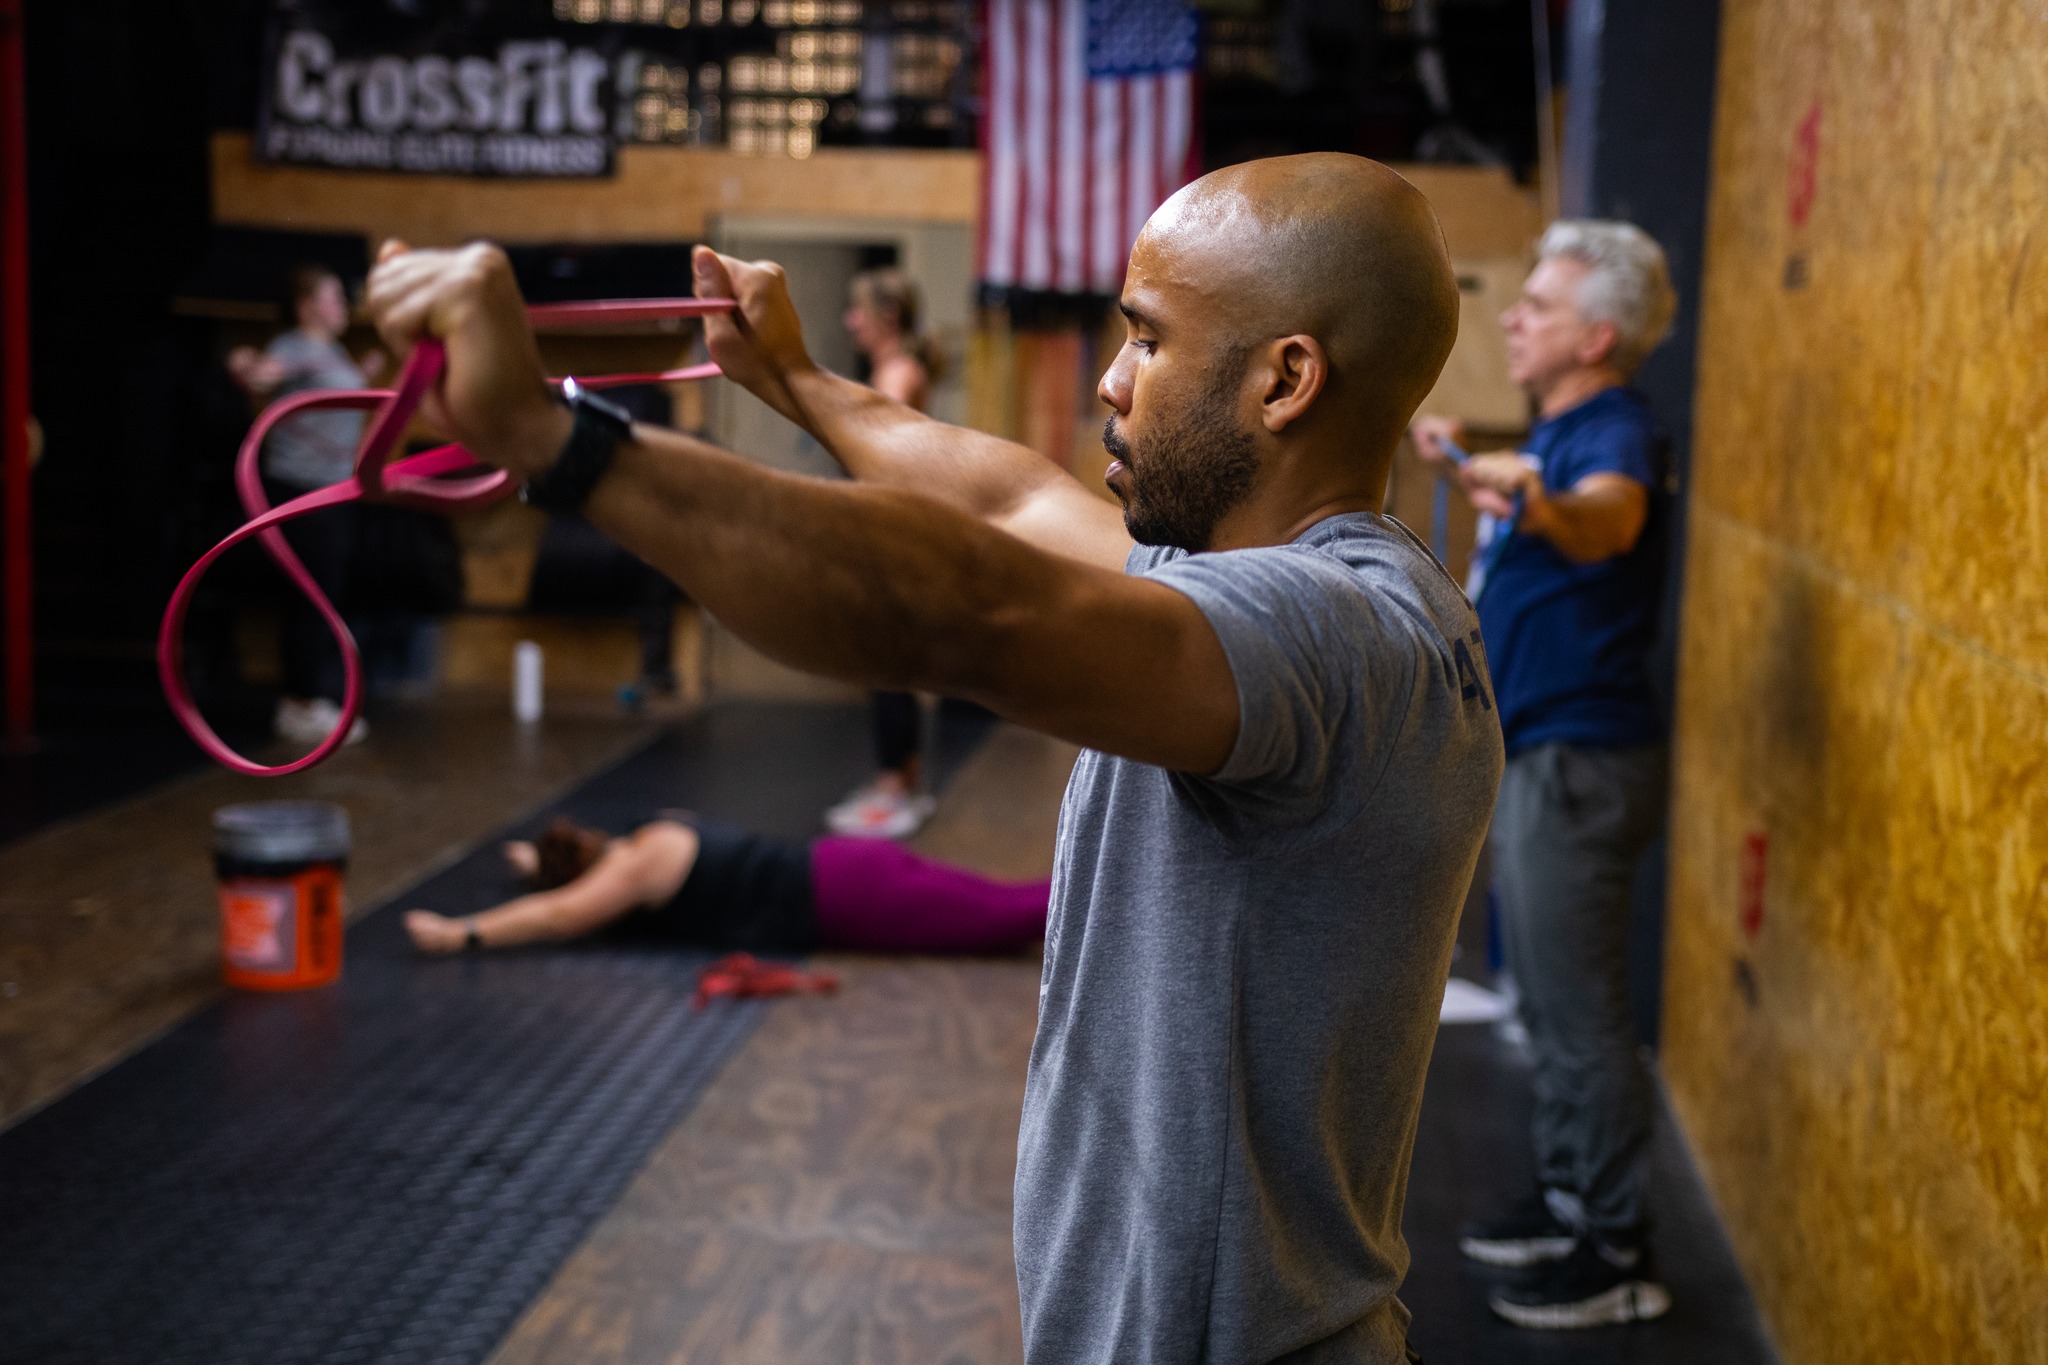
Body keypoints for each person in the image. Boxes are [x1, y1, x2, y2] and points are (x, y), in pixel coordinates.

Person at [364, 151, 1503, 1364]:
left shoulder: (1335, 636)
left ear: (1285, 381)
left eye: (1147, 339)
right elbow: (1006, 505)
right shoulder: (1277, 583)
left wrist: (552, 439)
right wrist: (794, 379)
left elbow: (968, 611)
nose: (1112, 381)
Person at [1411, 219, 1676, 1329]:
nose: (1513, 319)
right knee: (1548, 1004)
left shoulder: (1612, 431)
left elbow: (1606, 520)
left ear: (1596, 337)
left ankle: (1613, 1247)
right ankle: (1571, 1197)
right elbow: (1543, 510)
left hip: (1579, 762)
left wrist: (1533, 500)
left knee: (1576, 1014)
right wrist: (1469, 467)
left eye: (1539, 306)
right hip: (1547, 754)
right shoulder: (1560, 431)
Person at [403, 813, 1048, 957]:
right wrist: (529, 859)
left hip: (845, 897)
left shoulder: (632, 870)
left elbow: (557, 915)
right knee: (1006, 902)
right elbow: (561, 884)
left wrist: (461, 933)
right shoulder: (646, 834)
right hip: (848, 866)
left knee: (1018, 916)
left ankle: (1110, 907)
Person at [226, 264, 386, 748]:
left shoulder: (329, 352)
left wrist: (363, 374)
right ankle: (300, 705)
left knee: (323, 595)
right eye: (333, 298)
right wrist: (244, 365)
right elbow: (263, 376)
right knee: (312, 598)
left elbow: (327, 395)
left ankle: (305, 699)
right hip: (301, 492)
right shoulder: (294, 348)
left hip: (331, 491)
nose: (343, 306)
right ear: (306, 307)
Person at [825, 267, 940, 839]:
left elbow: (880, 451)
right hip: (886, 531)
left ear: (887, 317)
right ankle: (898, 782)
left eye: (860, 311)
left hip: (893, 537)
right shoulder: (892, 369)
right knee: (885, 662)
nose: (852, 321)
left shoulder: (898, 373)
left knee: (888, 661)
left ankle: (898, 788)